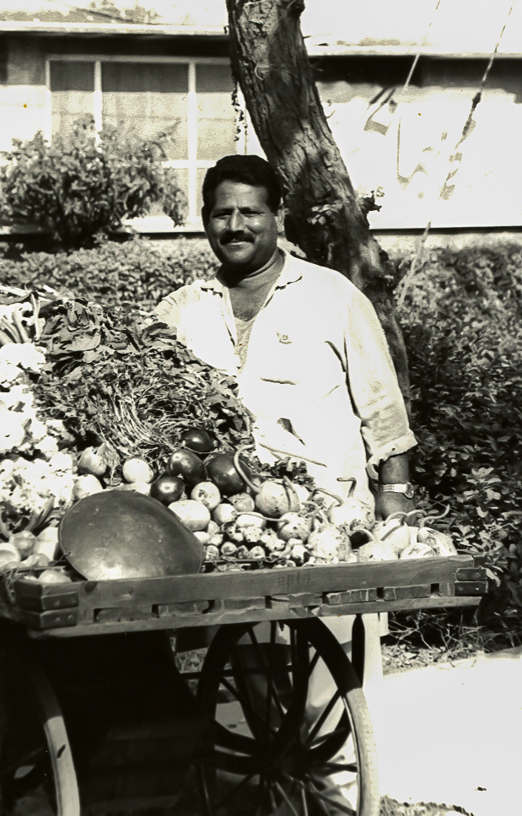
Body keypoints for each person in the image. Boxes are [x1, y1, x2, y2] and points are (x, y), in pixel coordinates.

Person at [157, 155, 417, 761]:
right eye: (222, 213)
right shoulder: (182, 310)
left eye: (251, 210)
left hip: (329, 526)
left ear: (279, 216)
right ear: (205, 221)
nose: (236, 225)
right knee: (247, 686)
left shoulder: (332, 296)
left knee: (331, 708)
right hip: (227, 532)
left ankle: (332, 789)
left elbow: (385, 412)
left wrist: (395, 511)